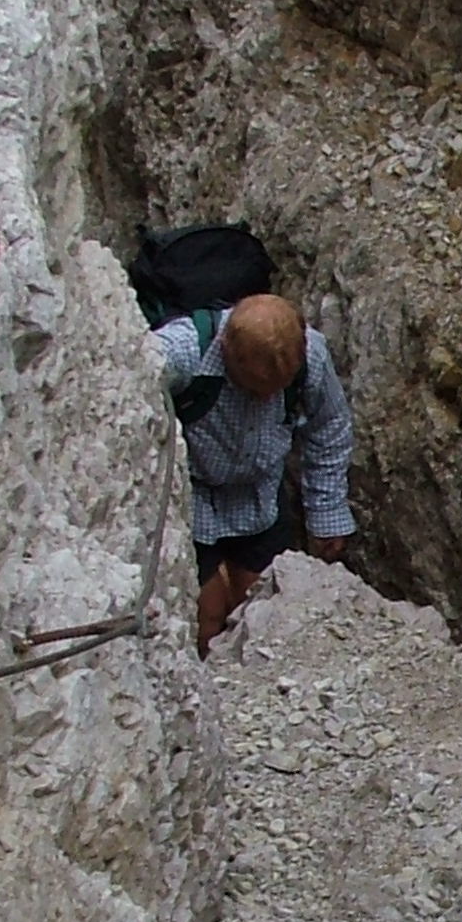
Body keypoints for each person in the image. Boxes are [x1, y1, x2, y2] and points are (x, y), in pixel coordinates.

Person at [149, 275, 357, 649]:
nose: (265, 400)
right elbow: (130, 380)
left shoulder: (311, 355)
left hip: (260, 496)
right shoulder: (182, 351)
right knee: (206, 614)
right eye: (253, 388)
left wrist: (326, 513)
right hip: (194, 498)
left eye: (276, 390)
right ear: (227, 350)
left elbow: (329, 428)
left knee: (259, 606)